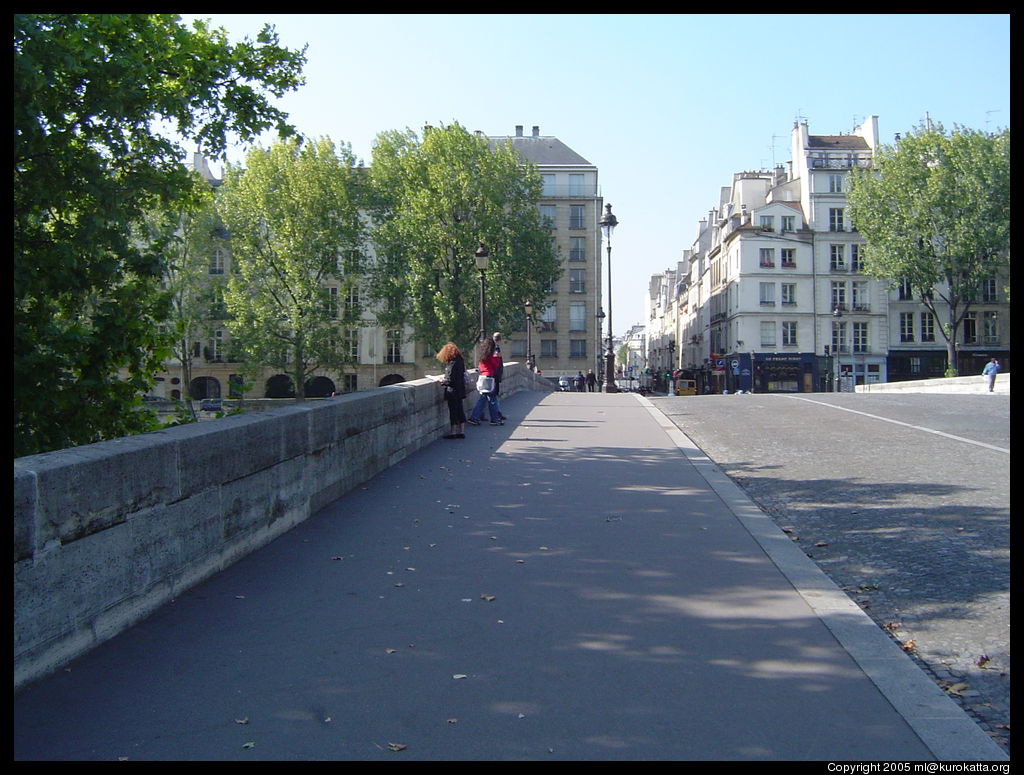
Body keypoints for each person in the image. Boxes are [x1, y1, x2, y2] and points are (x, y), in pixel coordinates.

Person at [467, 338, 503, 426]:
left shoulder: (481, 355)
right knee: (492, 398)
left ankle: (474, 417)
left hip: (482, 377)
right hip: (489, 377)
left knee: (483, 398)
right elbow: (495, 365)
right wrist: (497, 357)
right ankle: (494, 419)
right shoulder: (490, 355)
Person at [436, 342, 466, 439]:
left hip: (452, 391)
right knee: (460, 410)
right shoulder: (461, 361)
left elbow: (450, 379)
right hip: (460, 389)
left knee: (453, 411)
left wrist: (442, 381)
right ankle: (461, 431)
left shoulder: (452, 363)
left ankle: (453, 432)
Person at [491, 332, 507, 423]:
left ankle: (477, 415)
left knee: (487, 396)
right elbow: (497, 361)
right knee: (493, 395)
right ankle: (496, 415)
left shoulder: (491, 347)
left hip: (492, 374)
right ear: (500, 339)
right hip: (494, 375)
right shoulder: (496, 348)